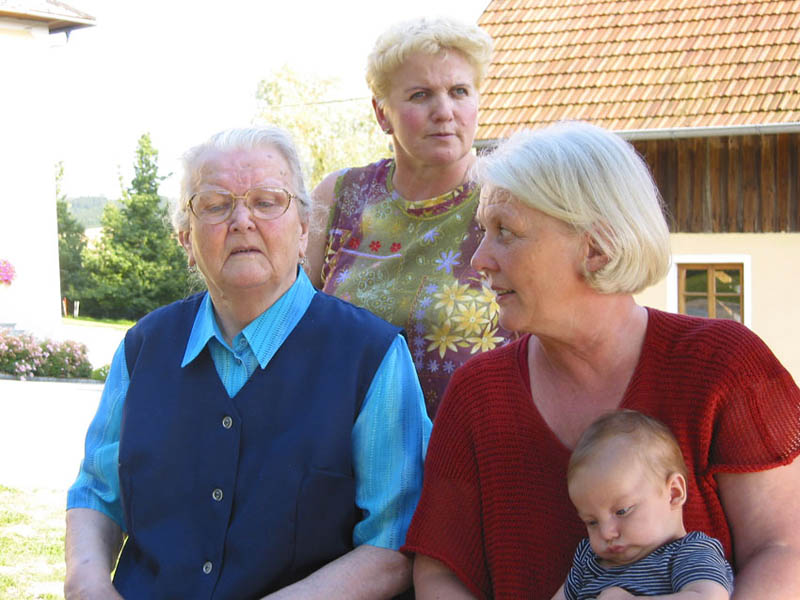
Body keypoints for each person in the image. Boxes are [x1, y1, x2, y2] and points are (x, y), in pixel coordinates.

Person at [403, 121, 800, 599]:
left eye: (505, 231)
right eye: (483, 232)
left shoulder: (725, 365)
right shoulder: (477, 394)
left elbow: (783, 549)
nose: (480, 259)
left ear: (597, 247)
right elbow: (441, 572)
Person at [64, 126, 432, 599]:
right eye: (216, 205)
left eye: (266, 201)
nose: (241, 220)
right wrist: (88, 584)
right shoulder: (144, 348)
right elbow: (97, 493)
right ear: (186, 239)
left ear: (304, 230)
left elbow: (395, 541)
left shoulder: (371, 357)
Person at [307, 17, 514, 416]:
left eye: (459, 91)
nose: (445, 111)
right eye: (421, 95)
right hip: (345, 443)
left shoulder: (510, 197)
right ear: (381, 113)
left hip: (476, 440)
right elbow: (286, 321)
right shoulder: (339, 196)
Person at [552, 410, 733, 600]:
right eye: (592, 522)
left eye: (621, 511)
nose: (606, 533)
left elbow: (711, 597)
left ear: (673, 493)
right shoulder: (588, 560)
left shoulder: (689, 552)